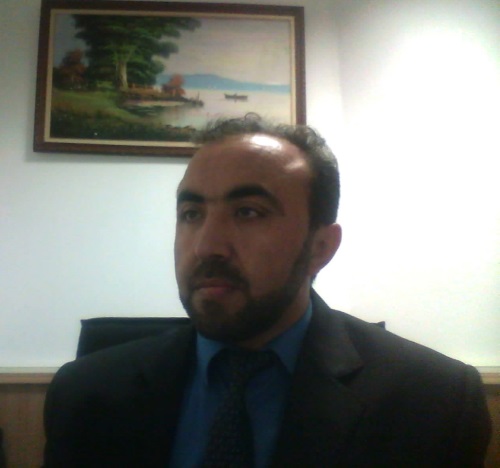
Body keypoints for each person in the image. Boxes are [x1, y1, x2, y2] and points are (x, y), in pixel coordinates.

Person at [43, 114, 491, 467]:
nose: (206, 246)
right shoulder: (86, 393)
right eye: (191, 214)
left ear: (320, 247)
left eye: (249, 212)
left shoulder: (433, 402)